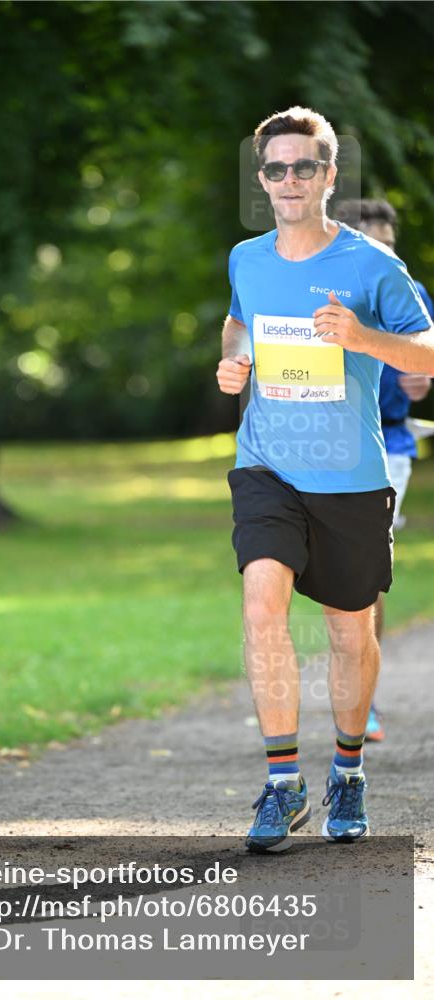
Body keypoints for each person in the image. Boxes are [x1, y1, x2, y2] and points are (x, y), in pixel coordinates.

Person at [216, 106, 434, 852]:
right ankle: (283, 781)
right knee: (260, 599)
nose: (287, 180)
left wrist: (361, 337)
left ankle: (346, 771)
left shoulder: (371, 265)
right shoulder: (246, 258)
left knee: (349, 634)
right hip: (267, 464)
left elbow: (425, 354)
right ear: (261, 178)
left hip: (347, 476)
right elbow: (237, 319)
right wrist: (234, 359)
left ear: (328, 175)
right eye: (274, 169)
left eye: (302, 167)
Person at [335, 198, 433, 741]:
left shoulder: (412, 295)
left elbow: (425, 359)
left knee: (367, 573)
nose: (385, 259)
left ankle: (360, 699)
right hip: (321, 444)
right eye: (374, 248)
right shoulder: (317, 293)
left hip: (388, 445)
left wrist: (422, 380)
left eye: (390, 248)